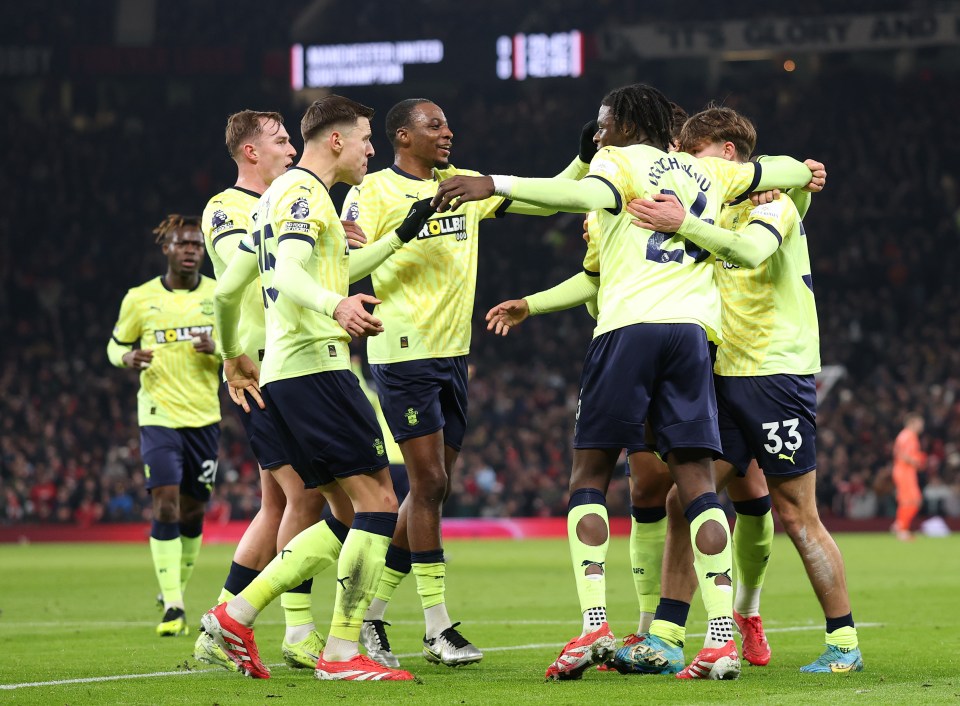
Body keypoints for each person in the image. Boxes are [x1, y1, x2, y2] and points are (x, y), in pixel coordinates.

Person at [433, 82, 817, 681]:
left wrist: (497, 184)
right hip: (692, 336)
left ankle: (593, 626)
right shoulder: (704, 173)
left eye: (603, 122)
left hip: (628, 331)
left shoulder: (618, 163)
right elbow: (787, 166)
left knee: (589, 477)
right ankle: (719, 639)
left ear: (625, 124)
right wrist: (806, 172)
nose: (597, 132)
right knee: (697, 486)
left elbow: (572, 193)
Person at [611, 105, 863, 675]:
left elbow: (750, 251)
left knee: (796, 514)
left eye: (694, 155)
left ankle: (844, 643)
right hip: (723, 373)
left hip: (775, 374)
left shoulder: (773, 205)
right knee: (685, 500)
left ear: (726, 153)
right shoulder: (715, 204)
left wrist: (686, 224)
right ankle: (668, 636)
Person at [339, 98, 579, 668]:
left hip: (454, 355)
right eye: (435, 125)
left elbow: (544, 204)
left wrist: (582, 158)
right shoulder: (369, 193)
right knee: (428, 482)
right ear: (402, 136)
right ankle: (437, 625)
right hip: (402, 352)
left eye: (447, 124)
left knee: (433, 489)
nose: (449, 132)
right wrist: (403, 229)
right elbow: (343, 270)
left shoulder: (462, 185)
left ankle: (370, 616)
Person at [199, 94, 432, 681]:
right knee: (379, 502)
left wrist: (233, 357)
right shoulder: (303, 194)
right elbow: (290, 274)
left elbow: (231, 291)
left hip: (284, 371)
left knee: (342, 511)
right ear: (335, 140)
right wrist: (337, 305)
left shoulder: (278, 199)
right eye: (364, 139)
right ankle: (339, 650)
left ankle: (235, 615)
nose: (372, 150)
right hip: (316, 367)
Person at [192, 109, 330, 673]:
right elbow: (237, 269)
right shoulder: (227, 208)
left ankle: (220, 623)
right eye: (280, 142)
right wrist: (288, 233)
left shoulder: (283, 205)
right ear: (250, 152)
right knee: (308, 498)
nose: (292, 151)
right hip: (261, 368)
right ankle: (297, 631)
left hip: (287, 362)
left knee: (278, 503)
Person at [107, 214, 221, 637]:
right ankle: (173, 605)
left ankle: (175, 590)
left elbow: (242, 348)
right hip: (158, 414)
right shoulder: (139, 299)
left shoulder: (219, 295)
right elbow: (115, 345)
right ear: (167, 248)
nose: (191, 250)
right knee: (166, 503)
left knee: (193, 512)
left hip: (206, 417)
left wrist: (220, 348)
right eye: (183, 243)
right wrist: (126, 358)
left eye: (197, 244)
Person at [892, 412, 926, 541]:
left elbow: (896, 452)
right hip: (904, 471)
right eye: (920, 423)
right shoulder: (909, 436)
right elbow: (903, 455)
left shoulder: (903, 435)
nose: (922, 425)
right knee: (912, 500)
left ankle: (900, 526)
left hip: (904, 470)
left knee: (909, 500)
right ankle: (901, 529)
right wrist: (917, 461)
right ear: (912, 423)